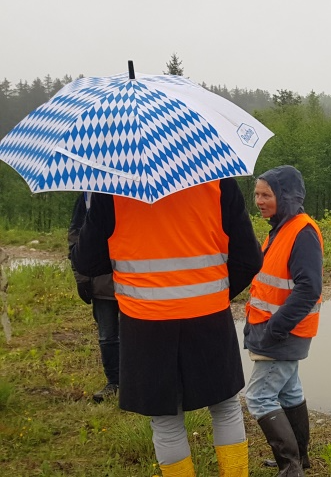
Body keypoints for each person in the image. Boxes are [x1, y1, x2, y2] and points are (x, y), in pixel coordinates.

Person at [71, 179, 263, 477]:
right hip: (208, 315)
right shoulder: (217, 182)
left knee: (165, 420)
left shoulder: (111, 189)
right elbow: (249, 257)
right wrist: (217, 293)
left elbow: (87, 261)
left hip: (145, 322)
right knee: (225, 408)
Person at [244, 166, 322, 476]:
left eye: (266, 194)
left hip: (282, 332)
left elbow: (308, 288)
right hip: (276, 329)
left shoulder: (302, 231)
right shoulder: (281, 228)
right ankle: (299, 459)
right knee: (289, 391)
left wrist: (275, 328)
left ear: (286, 197)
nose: (259, 201)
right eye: (257, 194)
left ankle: (291, 468)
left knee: (259, 397)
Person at [67, 192, 120, 403]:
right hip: (101, 282)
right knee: (107, 336)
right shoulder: (88, 197)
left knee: (135, 335)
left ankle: (135, 382)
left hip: (137, 282)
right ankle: (114, 382)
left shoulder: (137, 194)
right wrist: (81, 278)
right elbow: (75, 238)